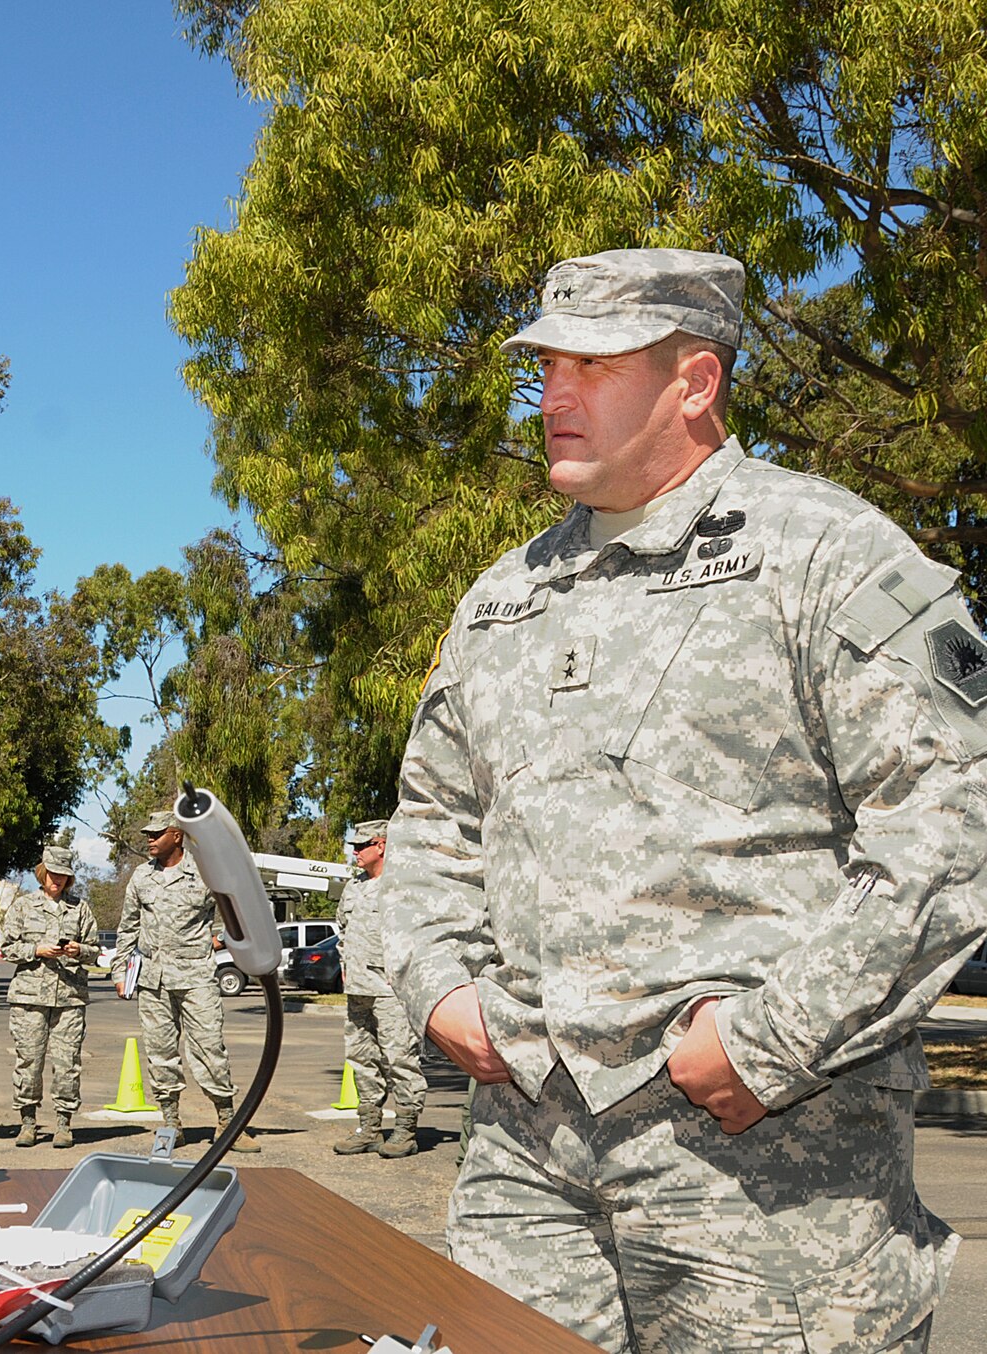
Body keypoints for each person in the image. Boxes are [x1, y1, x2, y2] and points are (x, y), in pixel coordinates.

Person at [384, 247, 987, 1353]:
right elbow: (428, 822)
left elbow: (955, 824)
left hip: (762, 1166)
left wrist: (764, 1043)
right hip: (524, 1152)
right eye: (544, 366)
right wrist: (436, 984)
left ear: (693, 381)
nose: (551, 396)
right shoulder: (504, 597)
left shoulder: (826, 552)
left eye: (591, 366)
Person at [111, 811, 259, 1152]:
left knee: (210, 1050)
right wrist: (120, 972)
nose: (149, 839)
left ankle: (226, 1122)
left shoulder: (205, 873)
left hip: (196, 978)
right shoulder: (141, 877)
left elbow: (238, 911)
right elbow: (127, 928)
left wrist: (222, 940)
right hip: (154, 980)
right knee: (160, 1054)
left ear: (177, 836)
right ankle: (171, 1124)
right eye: (148, 833)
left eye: (157, 833)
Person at [332, 819, 426, 1158]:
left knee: (400, 1058)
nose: (354, 852)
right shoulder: (354, 887)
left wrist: (403, 975)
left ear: (382, 845)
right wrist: (346, 966)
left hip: (391, 991)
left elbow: (418, 937)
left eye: (361, 845)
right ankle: (369, 1127)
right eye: (353, 846)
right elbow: (343, 929)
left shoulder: (402, 886)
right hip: (358, 987)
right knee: (362, 1059)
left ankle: (405, 1129)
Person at [3, 844, 101, 1148]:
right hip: (29, 997)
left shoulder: (80, 908)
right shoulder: (23, 906)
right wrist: (36, 950)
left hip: (69, 998)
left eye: (63, 876)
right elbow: (7, 947)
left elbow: (95, 950)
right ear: (42, 872)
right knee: (29, 1061)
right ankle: (28, 1122)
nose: (57, 880)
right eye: (53, 874)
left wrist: (78, 950)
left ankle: (63, 1123)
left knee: (67, 1062)